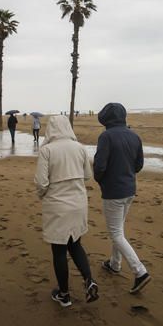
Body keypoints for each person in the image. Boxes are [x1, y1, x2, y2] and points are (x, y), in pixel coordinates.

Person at [34, 115, 99, 308]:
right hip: (78, 203)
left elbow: (41, 182)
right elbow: (88, 175)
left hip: (57, 206)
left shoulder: (46, 150)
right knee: (76, 244)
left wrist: (43, 194)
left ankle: (64, 294)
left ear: (50, 129)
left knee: (59, 249)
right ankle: (89, 280)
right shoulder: (79, 148)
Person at [93, 102, 151, 294]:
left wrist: (102, 180)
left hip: (113, 192)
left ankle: (140, 271)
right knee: (119, 229)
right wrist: (126, 174)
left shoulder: (106, 136)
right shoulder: (134, 136)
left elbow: (99, 166)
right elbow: (139, 164)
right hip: (129, 189)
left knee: (116, 233)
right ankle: (115, 264)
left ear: (106, 119)